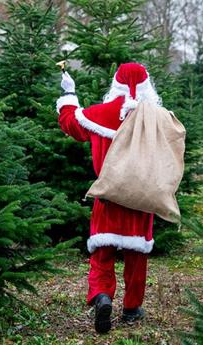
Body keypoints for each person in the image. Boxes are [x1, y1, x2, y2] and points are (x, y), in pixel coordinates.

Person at [55, 62, 162, 334]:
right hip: (141, 200)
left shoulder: (100, 114)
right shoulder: (156, 118)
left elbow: (70, 123)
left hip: (108, 197)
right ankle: (131, 309)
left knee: (102, 254)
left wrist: (69, 94)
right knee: (137, 257)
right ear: (148, 86)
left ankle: (102, 295)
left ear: (115, 84)